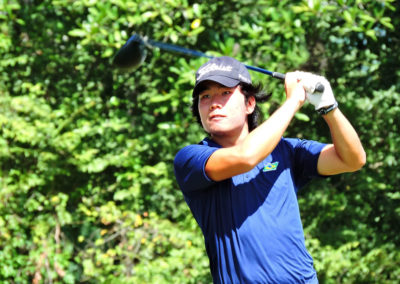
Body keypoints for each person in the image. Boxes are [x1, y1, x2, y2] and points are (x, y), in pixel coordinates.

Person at [173, 56, 366, 283]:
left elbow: (353, 160)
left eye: (225, 92)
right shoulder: (191, 158)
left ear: (250, 103)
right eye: (205, 96)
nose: (214, 103)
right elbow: (246, 156)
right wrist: (294, 100)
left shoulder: (286, 150)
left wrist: (329, 108)